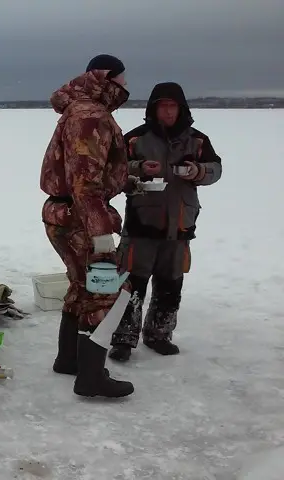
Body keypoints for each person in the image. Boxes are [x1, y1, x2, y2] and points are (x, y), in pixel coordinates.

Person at [40, 54, 135, 398]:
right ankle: (92, 376)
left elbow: (85, 174)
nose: (126, 87)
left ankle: (70, 360)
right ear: (107, 79)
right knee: (104, 294)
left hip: (68, 214)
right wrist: (100, 233)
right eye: (123, 81)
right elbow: (83, 181)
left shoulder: (82, 110)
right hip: (82, 219)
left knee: (82, 288)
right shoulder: (91, 116)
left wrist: (124, 179)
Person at [108, 82, 223, 362]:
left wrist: (197, 171)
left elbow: (216, 169)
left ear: (181, 109)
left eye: (173, 106)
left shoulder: (197, 140)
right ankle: (122, 339)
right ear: (153, 109)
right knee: (131, 282)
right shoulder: (135, 139)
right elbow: (113, 172)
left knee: (171, 283)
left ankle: (159, 334)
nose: (168, 112)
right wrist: (137, 169)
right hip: (141, 224)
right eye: (163, 106)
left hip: (180, 225)